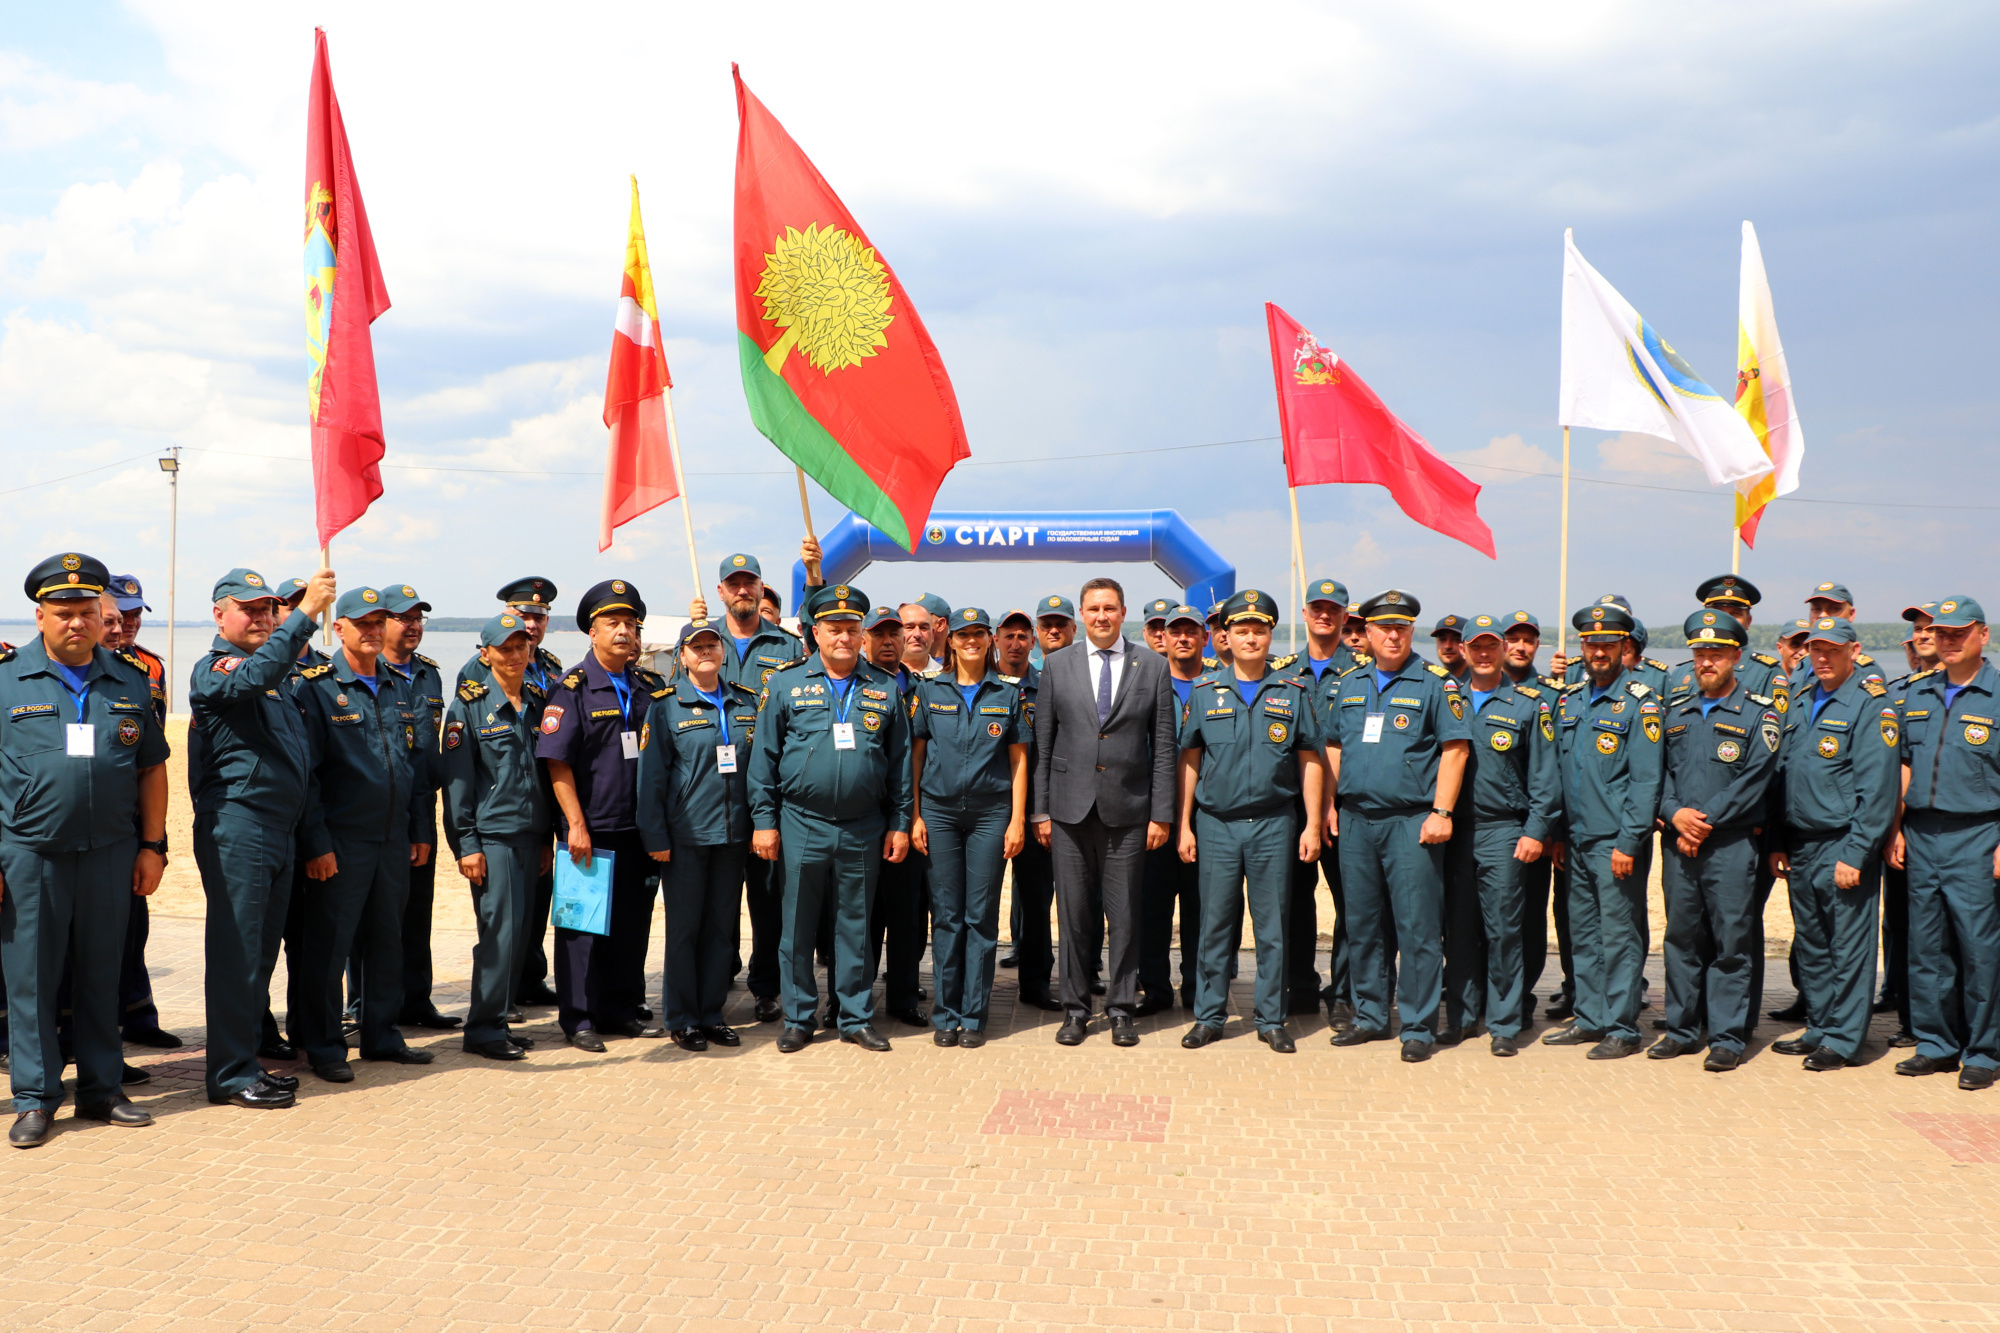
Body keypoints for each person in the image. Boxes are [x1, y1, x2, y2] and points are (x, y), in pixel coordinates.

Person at [2, 553, 170, 1148]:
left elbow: (152, 767)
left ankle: (102, 1090)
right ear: (41, 616)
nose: (77, 623)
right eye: (63, 613)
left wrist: (152, 846)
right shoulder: (5, 678)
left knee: (104, 975)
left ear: (104, 616)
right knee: (32, 981)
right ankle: (36, 1098)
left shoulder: (128, 679)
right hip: (30, 854)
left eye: (88, 613)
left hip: (110, 851)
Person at [748, 584, 913, 1053]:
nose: (844, 637)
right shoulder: (785, 684)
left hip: (864, 825)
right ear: (815, 633)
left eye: (851, 629)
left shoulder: (884, 686)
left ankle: (854, 1015)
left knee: (856, 926)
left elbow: (900, 764)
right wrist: (765, 820)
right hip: (802, 821)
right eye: (834, 628)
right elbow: (764, 758)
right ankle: (798, 1017)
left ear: (862, 635)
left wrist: (900, 822)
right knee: (797, 924)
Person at [191, 567, 333, 1110]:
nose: (261, 616)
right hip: (239, 829)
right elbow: (254, 675)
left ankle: (245, 1058)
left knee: (259, 956)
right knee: (237, 956)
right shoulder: (217, 669)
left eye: (269, 608)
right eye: (249, 608)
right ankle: (228, 1074)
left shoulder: (278, 683)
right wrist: (304, 616)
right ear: (219, 614)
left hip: (279, 831)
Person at [290, 588, 434, 1082]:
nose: (372, 631)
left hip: (392, 838)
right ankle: (325, 1046)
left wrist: (418, 829)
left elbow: (415, 765)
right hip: (341, 839)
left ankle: (382, 1036)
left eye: (379, 623)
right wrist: (316, 842)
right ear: (339, 629)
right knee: (330, 948)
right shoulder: (318, 687)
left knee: (386, 942)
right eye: (362, 623)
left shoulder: (399, 685)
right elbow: (306, 775)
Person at [1322, 589, 1470, 1061]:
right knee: (1362, 924)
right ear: (1364, 633)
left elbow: (1456, 750)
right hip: (1356, 820)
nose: (1392, 634)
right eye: (1383, 627)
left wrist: (1442, 812)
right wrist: (1329, 804)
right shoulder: (1348, 682)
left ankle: (1419, 1026)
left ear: (1410, 632)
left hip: (1411, 823)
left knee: (1417, 927)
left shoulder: (1435, 683)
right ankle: (1369, 1016)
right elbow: (1333, 746)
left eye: (1401, 628)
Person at [1176, 590, 1324, 1053]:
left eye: (1259, 630)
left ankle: (1270, 1019)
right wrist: (1184, 824)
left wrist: (1312, 824)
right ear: (1226, 637)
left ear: (1269, 635)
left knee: (1272, 926)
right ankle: (1209, 1016)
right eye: (1241, 630)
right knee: (1214, 924)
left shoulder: (1292, 691)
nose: (1250, 638)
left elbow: (1311, 762)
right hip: (1216, 824)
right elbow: (1190, 762)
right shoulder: (1204, 693)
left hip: (1274, 823)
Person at [1032, 577, 1177, 1048]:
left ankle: (1119, 1008)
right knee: (1073, 916)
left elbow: (1163, 748)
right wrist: (1040, 811)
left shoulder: (1153, 666)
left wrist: (1161, 813)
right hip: (1069, 812)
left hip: (1129, 811)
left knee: (1125, 916)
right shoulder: (1056, 665)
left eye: (1109, 608)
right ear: (1082, 614)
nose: (1101, 616)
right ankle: (1075, 1009)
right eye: (1093, 609)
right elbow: (1043, 744)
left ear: (1122, 612)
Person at [536, 579, 669, 1052]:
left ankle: (620, 1010)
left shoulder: (649, 687)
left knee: (631, 927)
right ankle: (580, 1020)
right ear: (591, 632)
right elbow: (557, 760)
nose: (623, 631)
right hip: (590, 829)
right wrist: (574, 824)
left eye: (630, 623)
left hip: (639, 829)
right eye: (612, 622)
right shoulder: (571, 688)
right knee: (582, 927)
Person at [1649, 611, 1781, 1071]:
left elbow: (1754, 779)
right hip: (1678, 843)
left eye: (1717, 653)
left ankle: (1727, 1036)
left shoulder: (1760, 714)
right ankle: (1682, 1029)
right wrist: (1674, 814)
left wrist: (1701, 822)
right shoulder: (1676, 712)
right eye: (1700, 653)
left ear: (1736, 658)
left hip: (1729, 845)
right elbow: (1658, 776)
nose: (1707, 661)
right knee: (1681, 939)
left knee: (1732, 942)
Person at [1767, 617, 1899, 1072]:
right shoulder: (1802, 700)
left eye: (1831, 649)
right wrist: (1781, 839)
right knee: (1813, 943)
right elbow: (1785, 772)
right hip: (1802, 844)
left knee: (1849, 947)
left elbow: (1878, 791)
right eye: (1814, 648)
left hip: (1843, 842)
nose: (1821, 657)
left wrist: (1858, 851)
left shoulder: (1870, 707)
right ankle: (1820, 1025)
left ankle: (1844, 1039)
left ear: (1854, 651)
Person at [1887, 595, 2000, 1091]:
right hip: (1922, 834)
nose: (1948, 641)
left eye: (1959, 633)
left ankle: (1983, 1050)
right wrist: (1895, 828)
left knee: (1979, 949)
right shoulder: (1918, 693)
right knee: (1926, 948)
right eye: (1942, 633)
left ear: (1983, 635)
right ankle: (1936, 1044)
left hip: (1978, 833)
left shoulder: (1997, 694)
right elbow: (1905, 765)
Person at [1543, 603, 1664, 1060]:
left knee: (1619, 936)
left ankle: (1622, 1026)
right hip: (1574, 839)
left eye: (1607, 644)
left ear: (1623, 647)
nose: (1598, 651)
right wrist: (1556, 833)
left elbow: (1646, 780)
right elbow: (1559, 771)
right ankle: (1590, 1017)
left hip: (1615, 841)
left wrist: (1629, 840)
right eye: (1591, 643)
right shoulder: (1570, 700)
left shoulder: (1640, 703)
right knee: (1583, 933)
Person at [689, 554, 806, 1026]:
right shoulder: (700, 639)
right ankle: (716, 982)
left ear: (761, 589)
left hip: (767, 791)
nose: (742, 591)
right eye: (733, 584)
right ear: (720, 592)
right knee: (717, 901)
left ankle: (766, 986)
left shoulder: (786, 645)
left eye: (749, 583)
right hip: (710, 795)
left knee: (768, 899)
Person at [636, 619, 760, 1052]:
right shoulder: (666, 706)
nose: (705, 651)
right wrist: (656, 837)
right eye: (696, 646)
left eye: (712, 644)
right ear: (682, 656)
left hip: (733, 835)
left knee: (721, 931)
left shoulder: (745, 703)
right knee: (685, 930)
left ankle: (711, 1014)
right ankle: (682, 1018)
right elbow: (651, 777)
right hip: (686, 835)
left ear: (722, 651)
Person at [911, 608, 1026, 1046]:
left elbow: (1018, 760)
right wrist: (916, 814)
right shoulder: (931, 690)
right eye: (964, 634)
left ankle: (974, 1017)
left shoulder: (1007, 693)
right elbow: (917, 756)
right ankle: (946, 1014)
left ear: (989, 640)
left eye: (980, 633)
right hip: (938, 813)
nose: (972, 640)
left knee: (980, 917)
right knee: (946, 916)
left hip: (990, 815)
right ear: (951, 642)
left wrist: (1017, 819)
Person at [442, 612, 555, 1061]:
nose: (514, 655)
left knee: (521, 935)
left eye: (520, 647)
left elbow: (544, 776)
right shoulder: (467, 707)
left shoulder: (536, 700)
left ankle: (500, 1021)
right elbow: (457, 786)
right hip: (494, 839)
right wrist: (466, 845)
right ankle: (483, 1029)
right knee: (499, 937)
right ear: (485, 653)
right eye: (504, 648)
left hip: (531, 838)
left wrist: (547, 837)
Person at [1446, 616, 1559, 1057]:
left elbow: (1545, 779)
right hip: (1454, 832)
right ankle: (1459, 1017)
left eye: (1493, 645)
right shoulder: (1448, 699)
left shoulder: (1528, 705)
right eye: (1477, 646)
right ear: (1466, 651)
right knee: (1457, 930)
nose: (1486, 653)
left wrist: (1535, 831)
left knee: (1504, 931)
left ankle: (1505, 1024)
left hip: (1504, 830)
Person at [456, 576, 564, 1008]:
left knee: (534, 913)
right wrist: (466, 840)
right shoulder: (476, 678)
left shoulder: (552, 669)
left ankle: (527, 980)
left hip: (534, 820)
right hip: (497, 824)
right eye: (524, 616)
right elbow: (464, 773)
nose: (531, 626)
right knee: (501, 922)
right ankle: (495, 1006)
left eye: (538, 617)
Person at [375, 584, 456, 1033]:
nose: (413, 625)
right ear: (380, 623)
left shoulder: (430, 675)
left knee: (417, 910)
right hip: (379, 808)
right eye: (403, 617)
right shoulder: (366, 670)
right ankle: (364, 1003)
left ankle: (416, 1000)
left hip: (421, 805)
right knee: (377, 913)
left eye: (418, 617)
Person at [1294, 578, 1370, 1027]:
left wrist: (1333, 802)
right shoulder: (1281, 670)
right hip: (1294, 809)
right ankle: (1300, 987)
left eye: (1333, 609)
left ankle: (1342, 992)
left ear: (1345, 617)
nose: (1324, 615)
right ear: (1304, 613)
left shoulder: (1364, 671)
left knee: (1352, 907)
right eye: (1316, 608)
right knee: (1292, 904)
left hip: (1346, 811)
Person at [104, 574, 175, 1049]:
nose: (127, 623)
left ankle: (138, 1016)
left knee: (134, 925)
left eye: (134, 614)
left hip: (133, 813)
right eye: (117, 614)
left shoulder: (148, 667)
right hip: (89, 816)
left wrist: (156, 838)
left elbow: (153, 752)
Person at [1140, 606, 1209, 1015]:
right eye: (1175, 632)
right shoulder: (1146, 684)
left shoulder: (1219, 685)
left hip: (1207, 815)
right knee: (1152, 906)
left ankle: (1198, 989)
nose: (1182, 639)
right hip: (1153, 814)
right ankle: (1154, 989)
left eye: (1191, 632)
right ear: (1163, 638)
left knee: (1203, 907)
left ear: (1204, 638)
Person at [861, 605, 927, 1025]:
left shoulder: (923, 687)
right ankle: (853, 999)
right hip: (862, 816)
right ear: (864, 638)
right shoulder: (851, 683)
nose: (888, 641)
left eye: (894, 634)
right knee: (860, 917)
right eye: (879, 634)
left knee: (908, 916)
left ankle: (903, 998)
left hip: (907, 815)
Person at [996, 609, 1061, 1010]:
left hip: (1036, 811)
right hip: (986, 810)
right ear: (996, 640)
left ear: (1032, 643)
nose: (1016, 642)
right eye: (1009, 635)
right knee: (978, 904)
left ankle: (1036, 985)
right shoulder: (982, 685)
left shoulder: (1048, 686)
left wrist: (1046, 811)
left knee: (1037, 904)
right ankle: (974, 986)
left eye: (1023, 636)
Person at [1430, 614, 1470, 681]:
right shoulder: (1433, 682)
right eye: (1443, 639)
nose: (1448, 646)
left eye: (1456, 639)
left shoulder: (1478, 682)